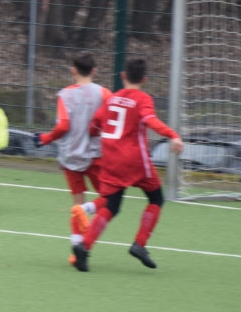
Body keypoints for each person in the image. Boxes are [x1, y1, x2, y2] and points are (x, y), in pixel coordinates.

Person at [71, 58, 184, 273]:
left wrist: (94, 133)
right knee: (156, 198)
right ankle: (139, 244)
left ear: (122, 76)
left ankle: (84, 246)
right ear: (144, 79)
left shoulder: (112, 99)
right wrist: (173, 135)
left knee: (111, 206)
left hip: (111, 160)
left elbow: (94, 125)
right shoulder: (143, 99)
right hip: (135, 161)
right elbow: (150, 120)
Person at [33, 52, 111, 264]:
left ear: (73, 70)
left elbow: (63, 126)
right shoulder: (104, 93)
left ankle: (75, 251)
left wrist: (45, 139)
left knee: (77, 202)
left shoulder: (65, 95)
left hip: (70, 156)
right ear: (94, 71)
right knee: (109, 198)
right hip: (95, 154)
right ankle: (85, 229)